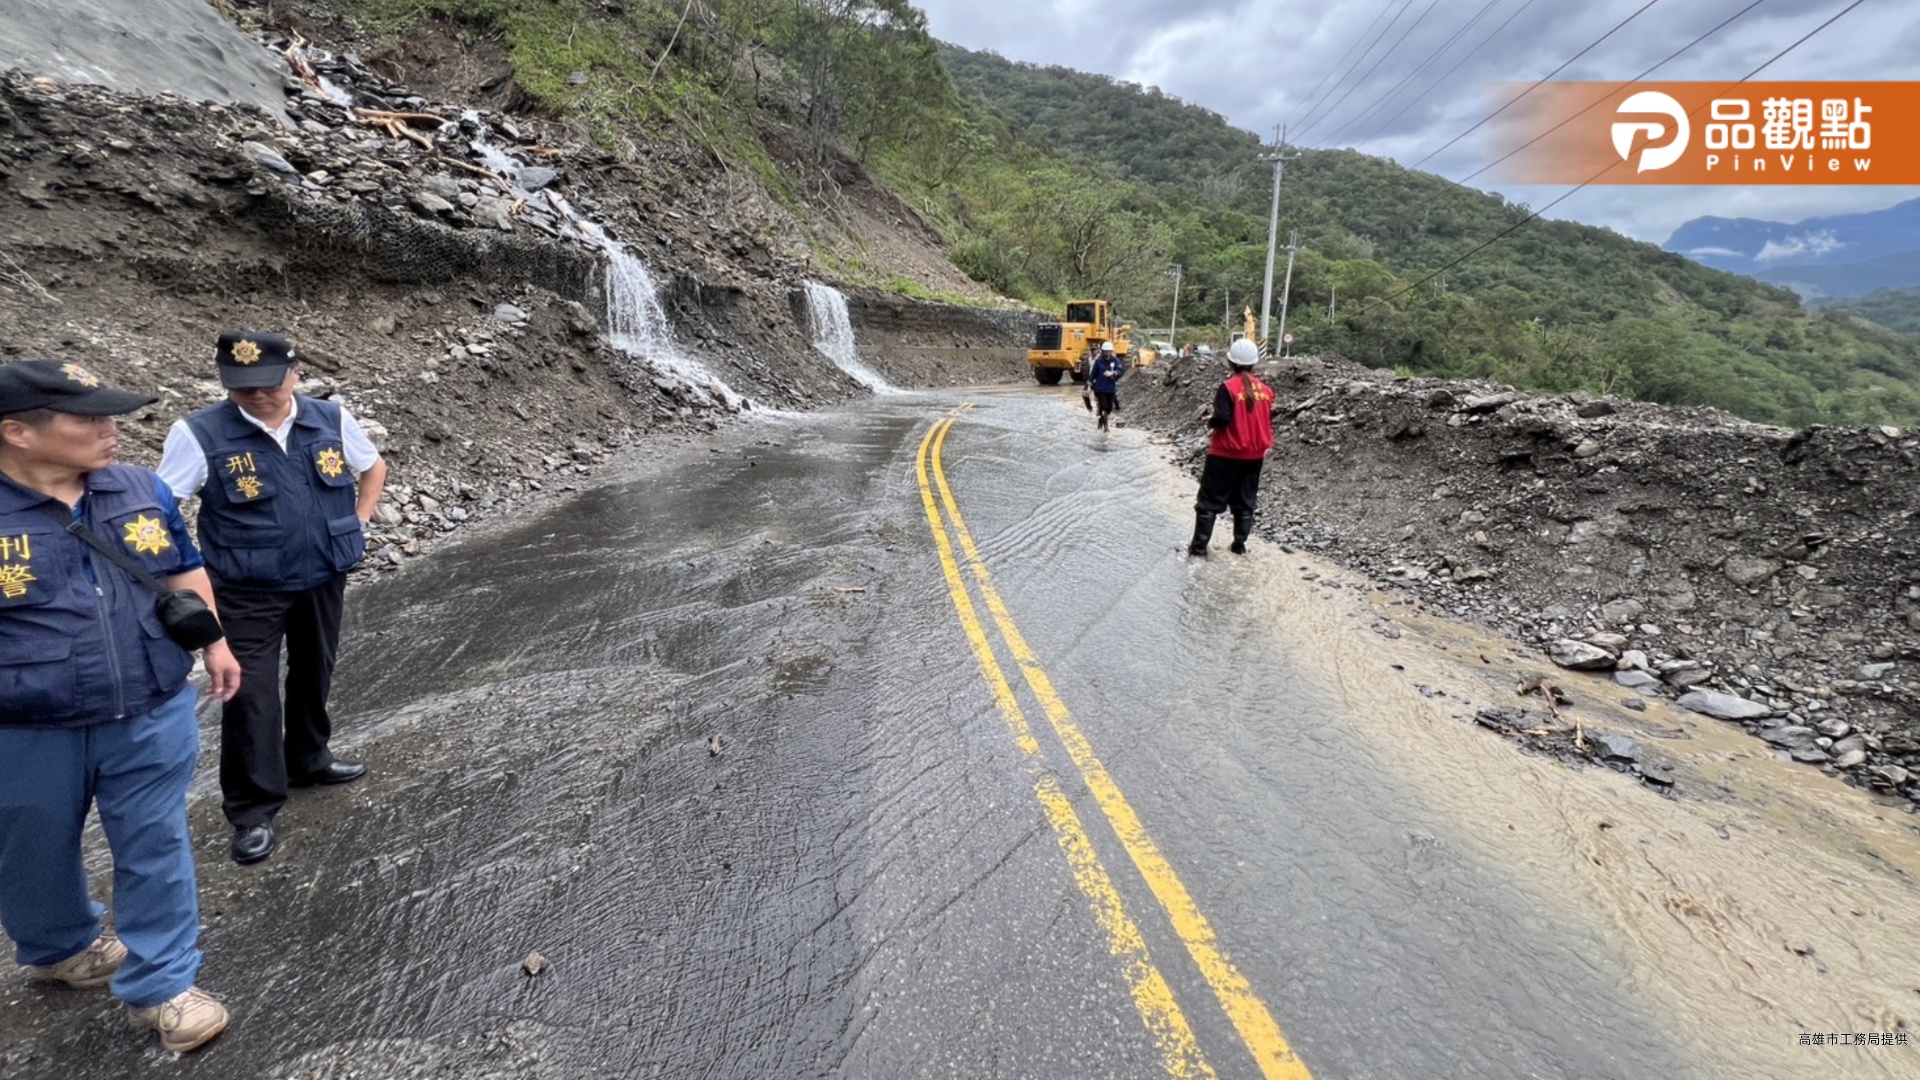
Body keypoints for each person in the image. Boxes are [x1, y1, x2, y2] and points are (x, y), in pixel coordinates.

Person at [0, 359, 239, 1053]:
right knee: (29, 849)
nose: (113, 430)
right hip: (24, 723)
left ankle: (163, 985)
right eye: (90, 420)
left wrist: (215, 642)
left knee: (155, 844)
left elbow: (182, 567)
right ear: (17, 432)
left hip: (148, 705)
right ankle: (59, 947)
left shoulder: (138, 486)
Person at [157, 332, 387, 866]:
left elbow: (372, 465)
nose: (257, 396)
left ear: (293, 374)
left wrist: (360, 519)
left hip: (323, 573)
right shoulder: (199, 433)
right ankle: (253, 809)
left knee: (315, 670)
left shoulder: (328, 418)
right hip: (245, 586)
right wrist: (186, 570)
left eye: (267, 384)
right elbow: (158, 505)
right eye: (242, 387)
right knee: (250, 694)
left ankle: (308, 759)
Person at [1189, 338, 1274, 557]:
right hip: (1254, 456)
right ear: (1254, 364)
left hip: (1225, 454)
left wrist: (1210, 420)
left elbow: (1223, 418)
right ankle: (1239, 546)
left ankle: (1198, 550)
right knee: (1245, 502)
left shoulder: (1228, 388)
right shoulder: (1265, 390)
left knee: (1208, 504)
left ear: (1231, 362)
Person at [1089, 341, 1125, 430]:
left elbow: (1120, 370)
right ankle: (1106, 425)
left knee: (1109, 408)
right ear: (1102, 351)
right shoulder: (1098, 361)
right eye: (1105, 351)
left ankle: (1101, 419)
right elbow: (1093, 374)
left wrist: (1113, 373)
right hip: (1100, 388)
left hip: (1110, 388)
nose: (1106, 353)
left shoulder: (1115, 360)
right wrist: (1089, 386)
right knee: (1103, 406)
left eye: (1108, 351)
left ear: (1111, 351)